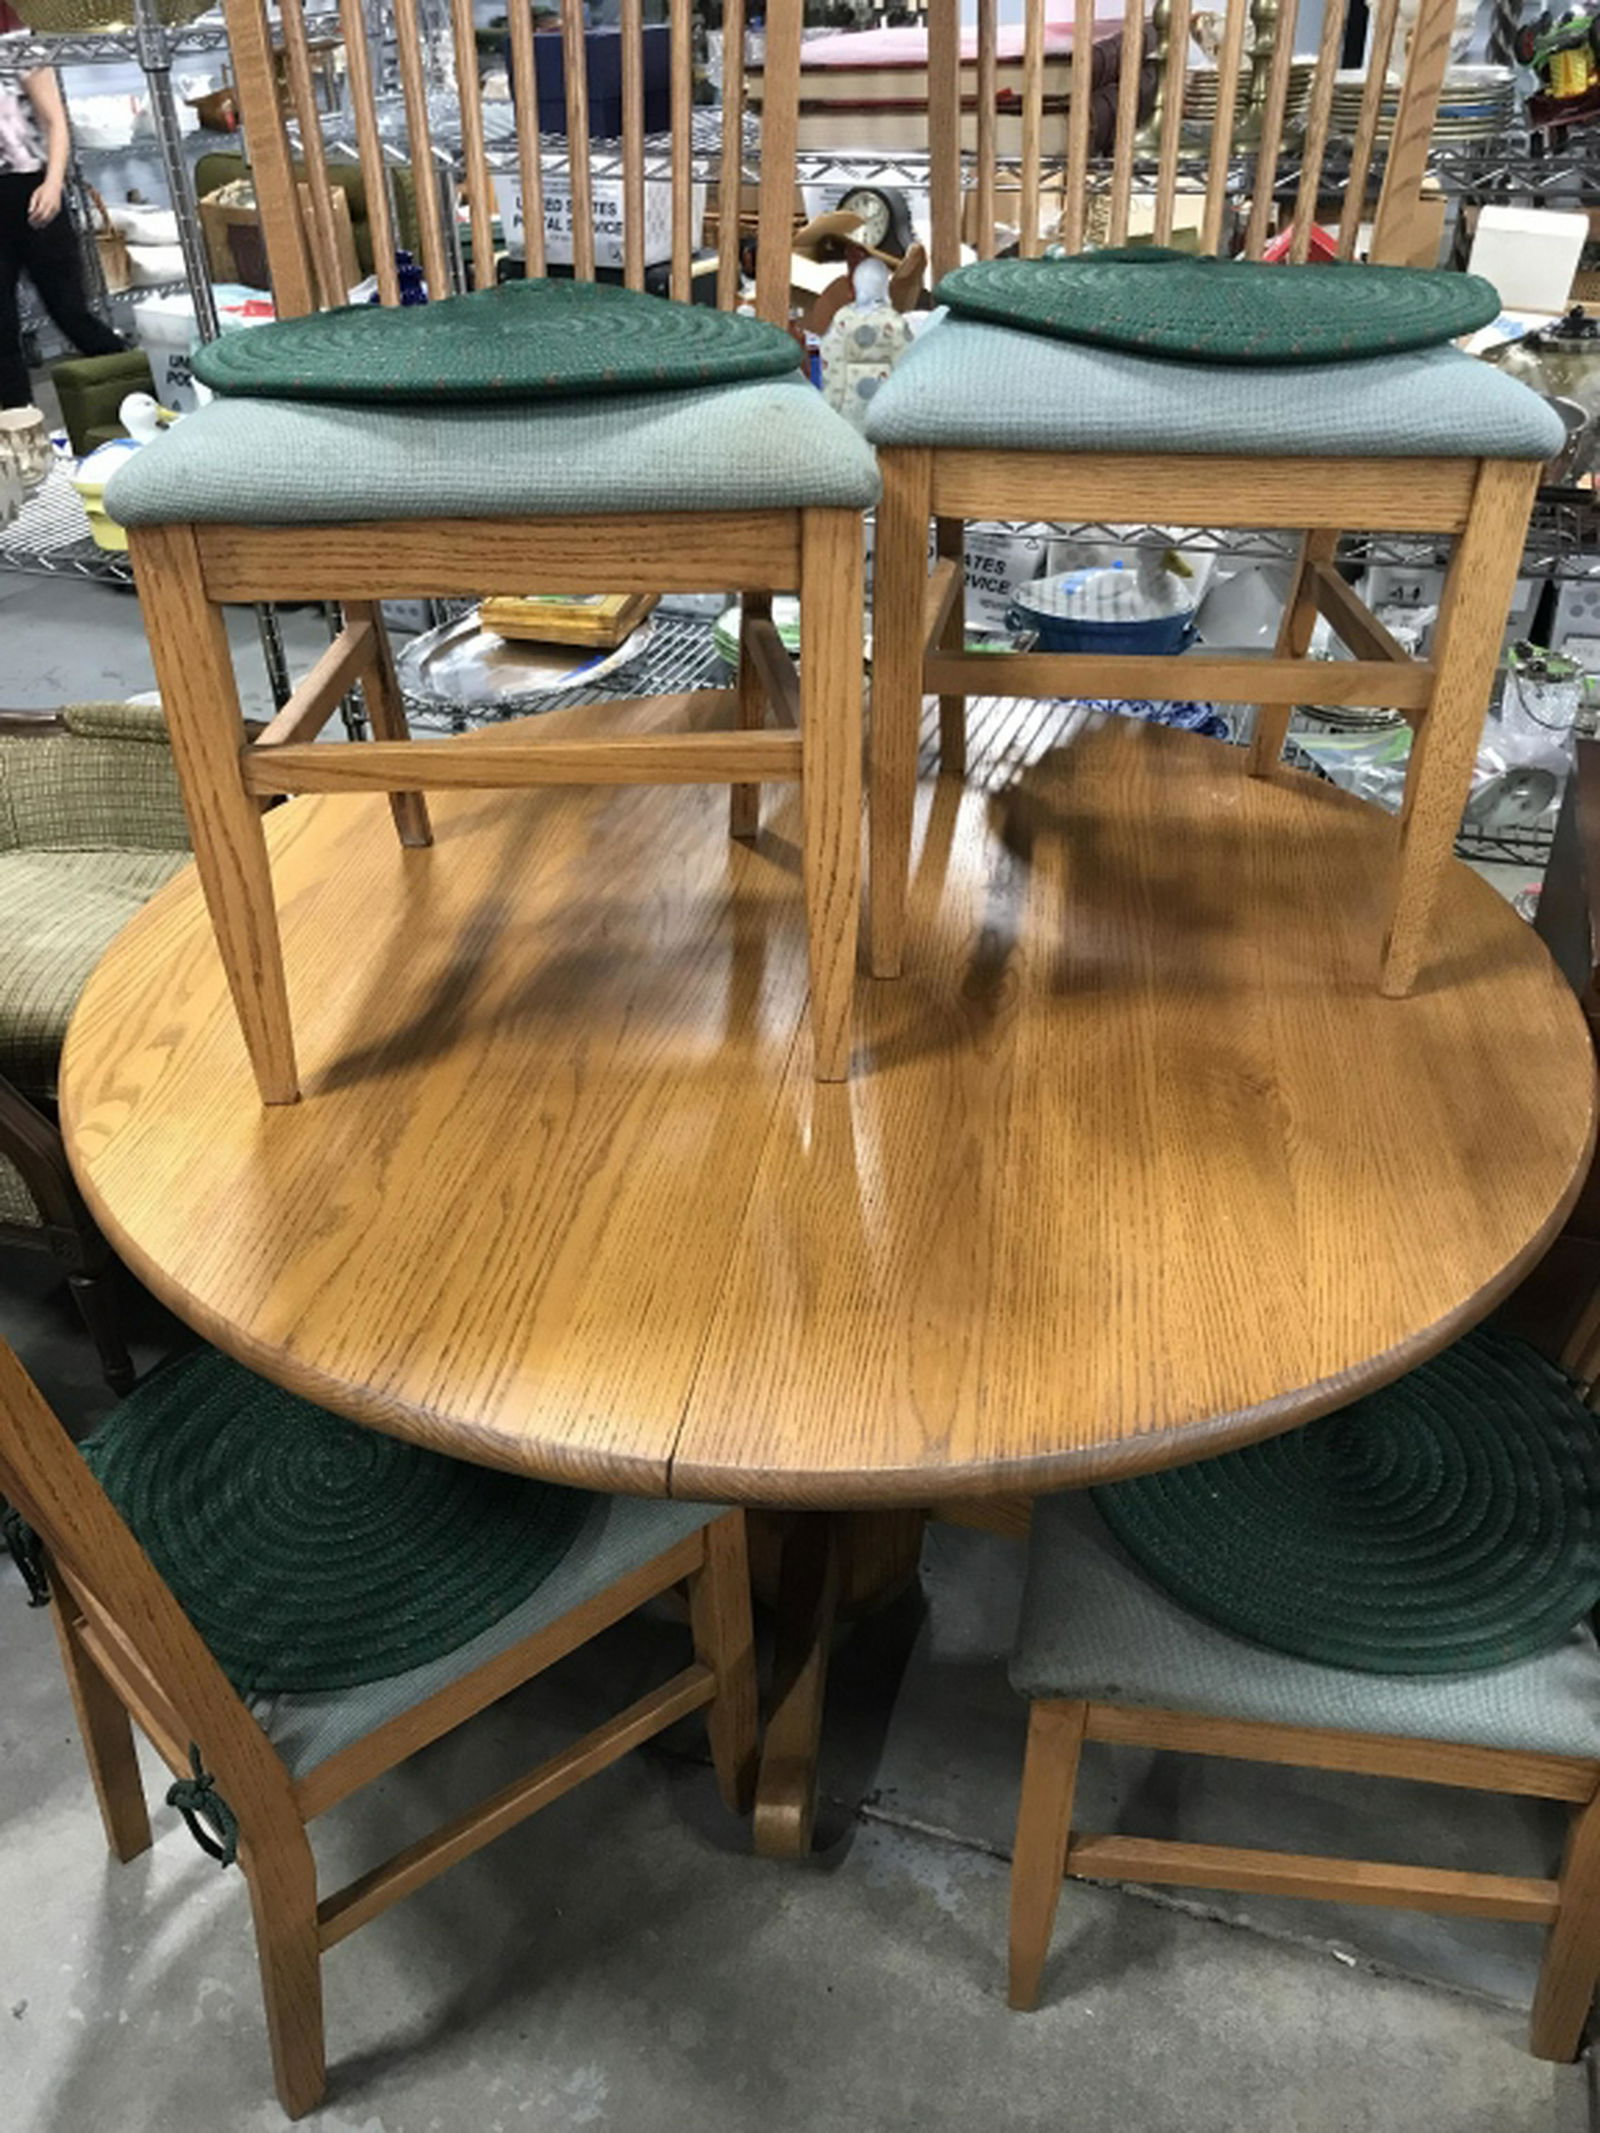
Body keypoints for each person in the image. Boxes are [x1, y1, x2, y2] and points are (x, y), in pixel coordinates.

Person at [0, 0, 126, 408]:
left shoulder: (19, 43)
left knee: (72, 312)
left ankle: (140, 388)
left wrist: (53, 184)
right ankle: (21, 437)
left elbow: (55, 121)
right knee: (2, 333)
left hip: (32, 193)